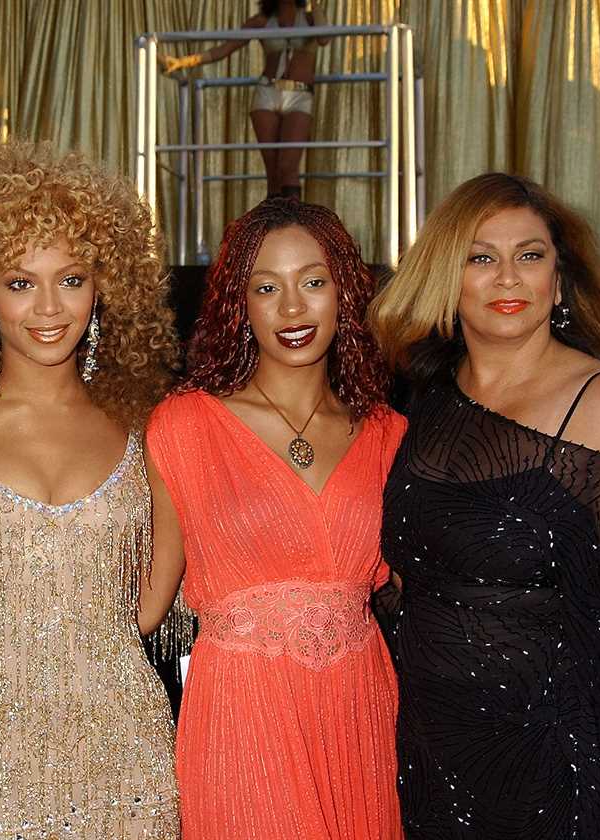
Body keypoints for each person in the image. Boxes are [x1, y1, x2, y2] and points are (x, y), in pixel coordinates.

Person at [367, 173, 600, 840]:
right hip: (422, 758)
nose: (508, 278)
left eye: (530, 255)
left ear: (558, 275)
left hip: (555, 770)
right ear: (445, 275)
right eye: (481, 257)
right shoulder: (420, 399)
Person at [0, 141, 182, 839]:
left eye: (72, 279)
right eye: (20, 283)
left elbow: (150, 608)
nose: (48, 307)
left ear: (104, 285)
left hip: (121, 759)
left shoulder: (151, 432)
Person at [146, 197, 405, 839]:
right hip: (240, 718)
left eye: (313, 282)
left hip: (359, 712)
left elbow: (424, 591)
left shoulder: (389, 434)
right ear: (241, 305)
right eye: (267, 288)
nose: (293, 309)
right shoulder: (183, 426)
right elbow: (144, 602)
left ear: (345, 291)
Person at [161, 0, 332, 198]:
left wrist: (315, 4)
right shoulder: (261, 22)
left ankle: (292, 226)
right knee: (273, 171)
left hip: (300, 94)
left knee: (288, 166)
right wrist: (184, 62)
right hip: (267, 93)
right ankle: (272, 225)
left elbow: (324, 38)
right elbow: (224, 49)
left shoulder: (311, 19)